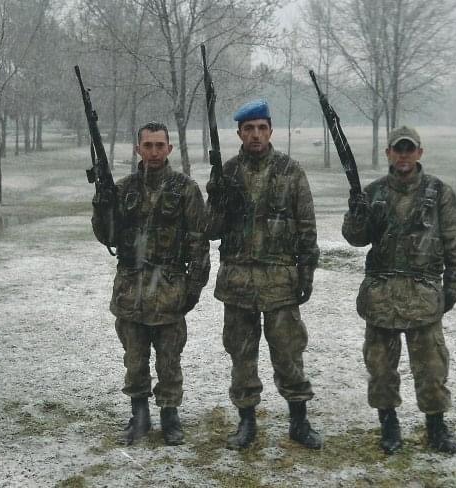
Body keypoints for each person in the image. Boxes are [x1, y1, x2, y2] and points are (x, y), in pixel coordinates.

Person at [342, 126, 456, 455]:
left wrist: (452, 288)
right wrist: (356, 213)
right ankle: (389, 425)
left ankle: (436, 427)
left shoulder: (439, 193)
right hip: (381, 297)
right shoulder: (373, 193)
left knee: (432, 369)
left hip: (423, 297)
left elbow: (455, 243)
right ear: (388, 153)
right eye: (397, 149)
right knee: (380, 369)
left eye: (409, 149)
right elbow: (356, 238)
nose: (403, 155)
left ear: (419, 153)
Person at [205, 99, 322, 450]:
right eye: (248, 129)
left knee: (288, 353)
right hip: (238, 281)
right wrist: (217, 198)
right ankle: (247, 422)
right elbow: (210, 229)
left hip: (280, 282)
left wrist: (306, 273)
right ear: (239, 133)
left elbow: (306, 226)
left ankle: (299, 421)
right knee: (241, 355)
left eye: (261, 128)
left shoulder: (290, 171)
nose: (255, 134)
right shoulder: (227, 173)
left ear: (270, 130)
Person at [91, 121, 210, 446]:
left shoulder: (185, 189)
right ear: (138, 149)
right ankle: (139, 416)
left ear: (169, 149)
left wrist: (193, 289)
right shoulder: (124, 189)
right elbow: (108, 236)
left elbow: (199, 242)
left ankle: (170, 416)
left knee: (169, 361)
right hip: (131, 291)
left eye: (160, 145)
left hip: (170, 290)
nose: (154, 152)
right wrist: (102, 205)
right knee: (134, 360)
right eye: (148, 146)